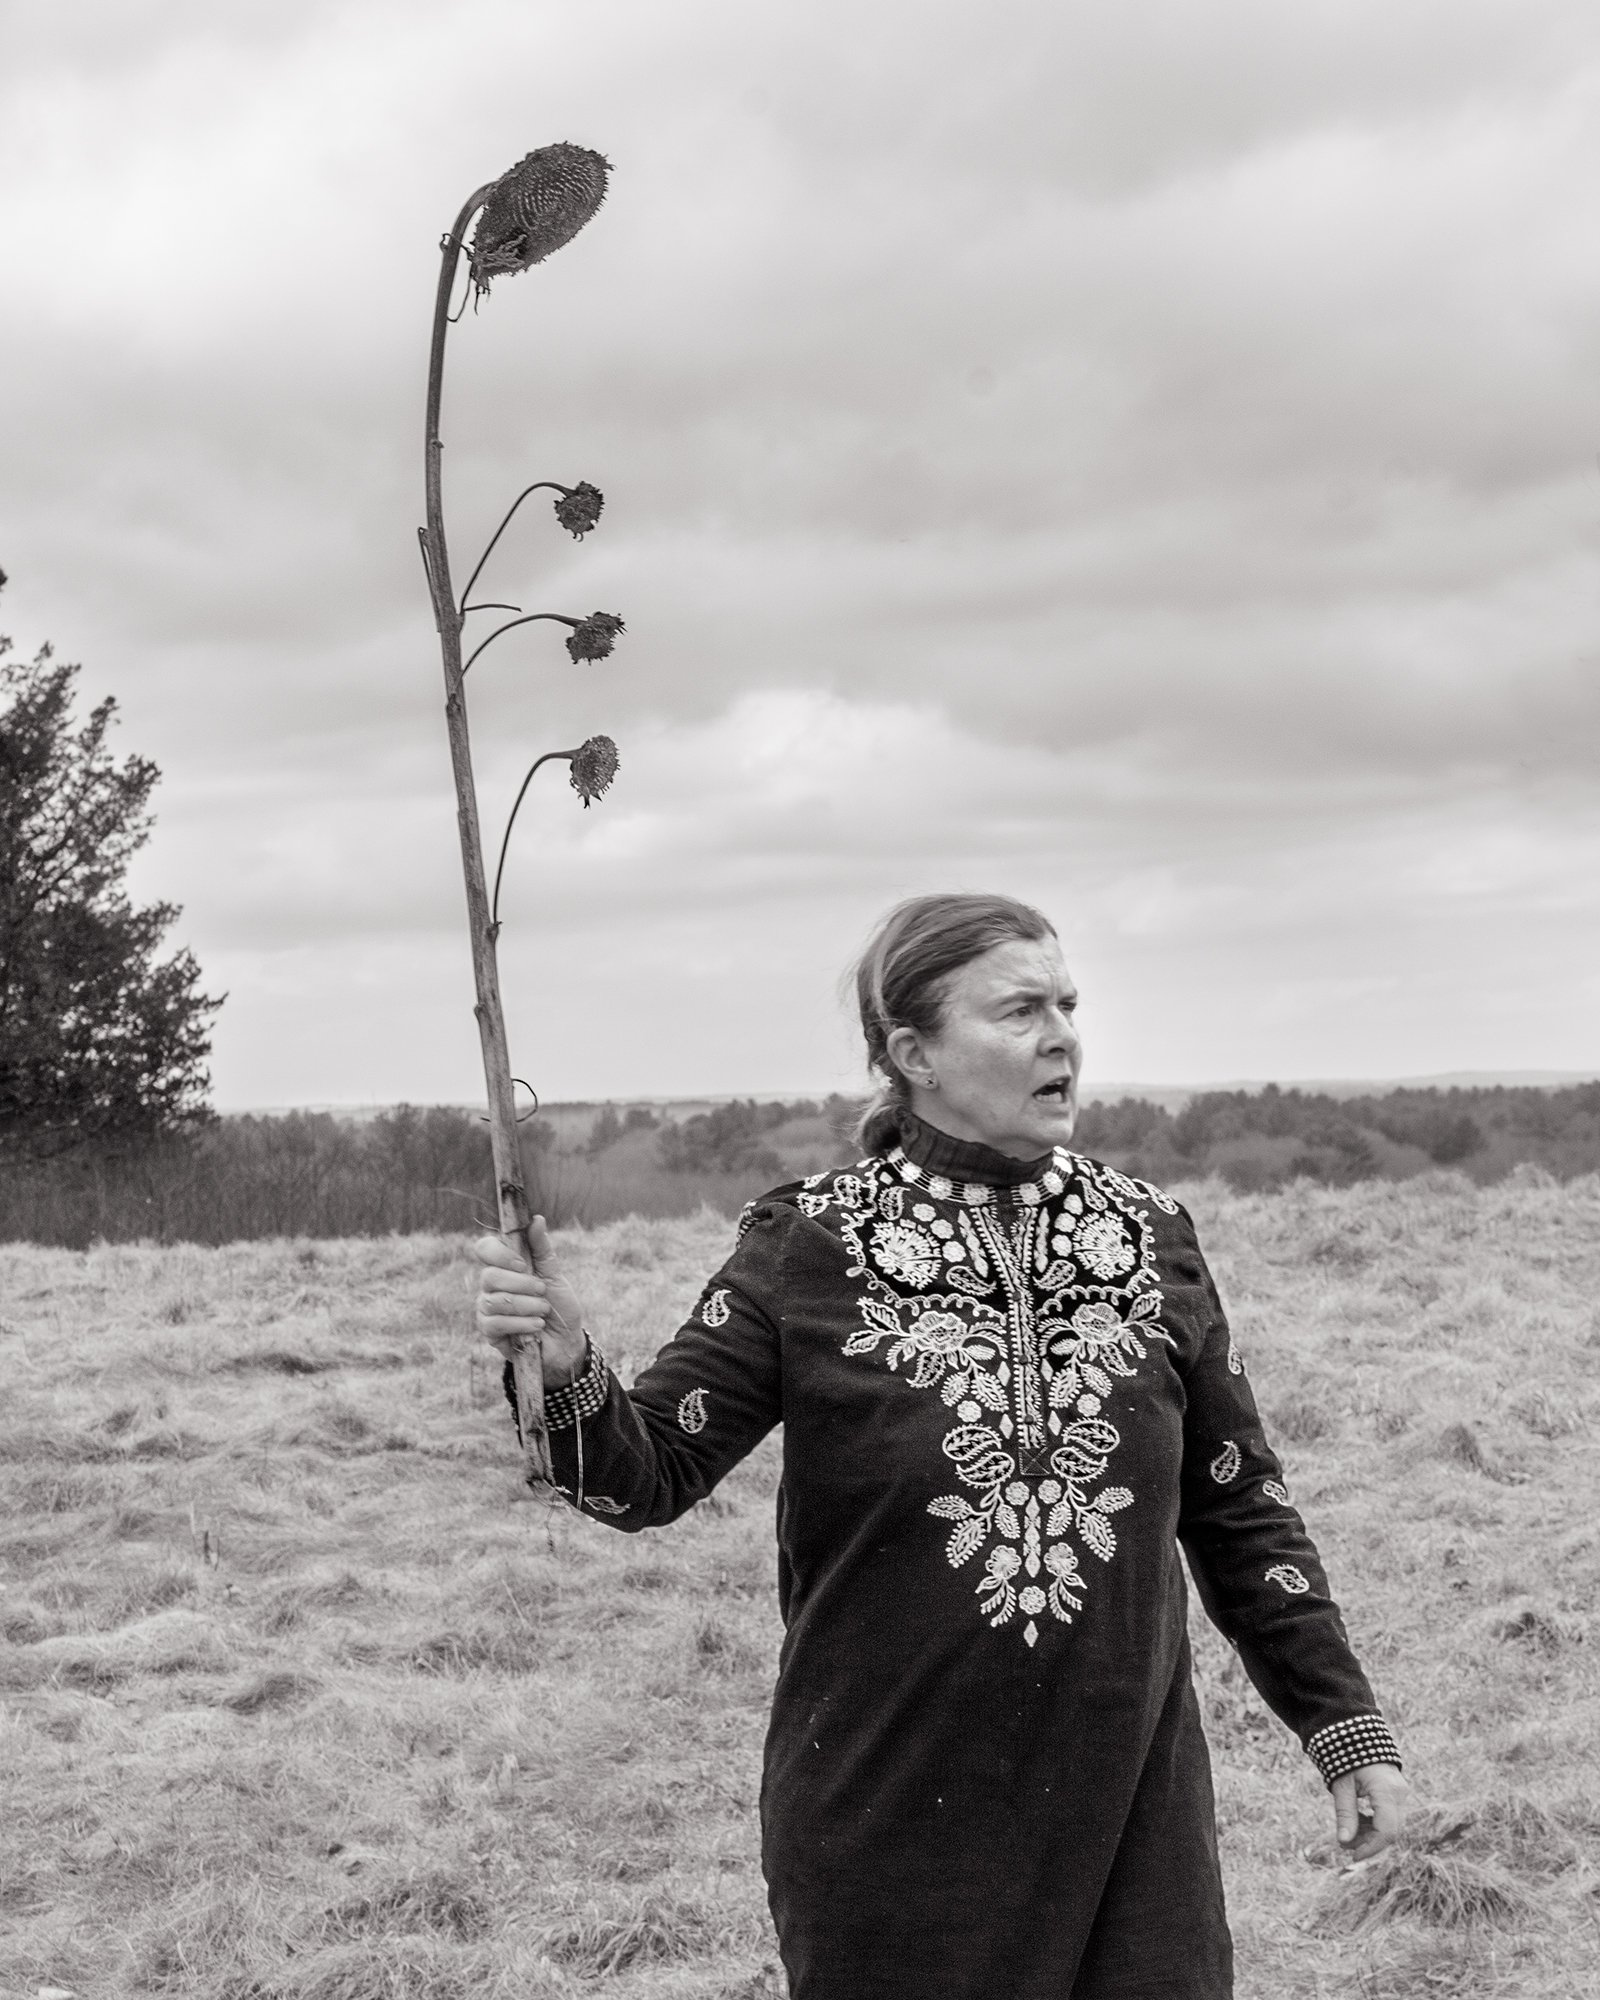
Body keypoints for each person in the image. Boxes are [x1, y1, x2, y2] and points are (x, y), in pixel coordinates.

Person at [474, 893, 1407, 2000]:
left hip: (1130, 1823)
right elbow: (647, 1472)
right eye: (1019, 1010)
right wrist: (568, 1363)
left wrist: (1341, 1722)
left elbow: (1239, 1505)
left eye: (1067, 1003)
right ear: (911, 1051)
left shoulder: (1149, 1234)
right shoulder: (809, 1243)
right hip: (892, 1821)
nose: (1062, 1032)